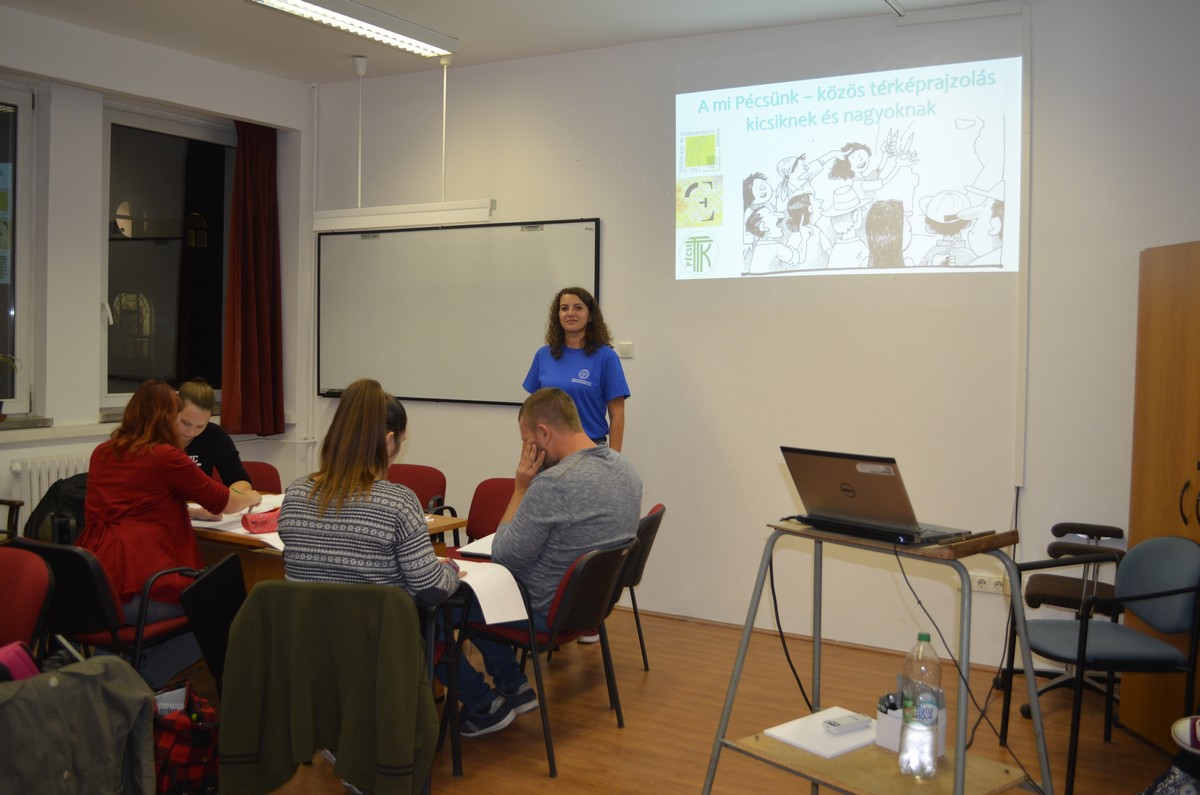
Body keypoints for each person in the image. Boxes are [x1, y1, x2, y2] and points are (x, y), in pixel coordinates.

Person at [442, 387, 643, 738]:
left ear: (544, 433)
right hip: (589, 610)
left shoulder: (553, 484)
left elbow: (505, 555)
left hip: (541, 613)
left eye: (527, 441)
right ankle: (514, 686)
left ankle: (484, 705)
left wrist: (521, 488)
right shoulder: (625, 470)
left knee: (437, 609)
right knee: (480, 593)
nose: (526, 451)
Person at [78, 379, 263, 688]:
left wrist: (189, 512)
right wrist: (253, 497)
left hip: (97, 584)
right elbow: (226, 501)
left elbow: (133, 506)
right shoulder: (165, 456)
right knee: (224, 612)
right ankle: (138, 684)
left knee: (133, 631)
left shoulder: (104, 452)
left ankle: (109, 681)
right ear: (166, 418)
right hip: (137, 588)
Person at [276, 378, 459, 606]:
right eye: (401, 441)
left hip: (302, 627)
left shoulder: (295, 494)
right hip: (376, 629)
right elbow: (430, 591)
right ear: (389, 441)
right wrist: (451, 570)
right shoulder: (398, 503)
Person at [522, 287, 630, 451]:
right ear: (558, 315)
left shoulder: (606, 357)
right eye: (564, 308)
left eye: (578, 308)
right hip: (548, 450)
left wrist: (614, 460)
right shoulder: (543, 355)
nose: (570, 313)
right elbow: (533, 411)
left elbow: (617, 414)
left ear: (590, 316)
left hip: (590, 449)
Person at [176, 378, 254, 521]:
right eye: (186, 423)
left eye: (200, 426)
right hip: (167, 516)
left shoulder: (214, 435)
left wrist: (229, 499)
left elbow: (240, 480)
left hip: (204, 518)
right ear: (174, 412)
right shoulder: (157, 436)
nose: (191, 432)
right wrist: (192, 512)